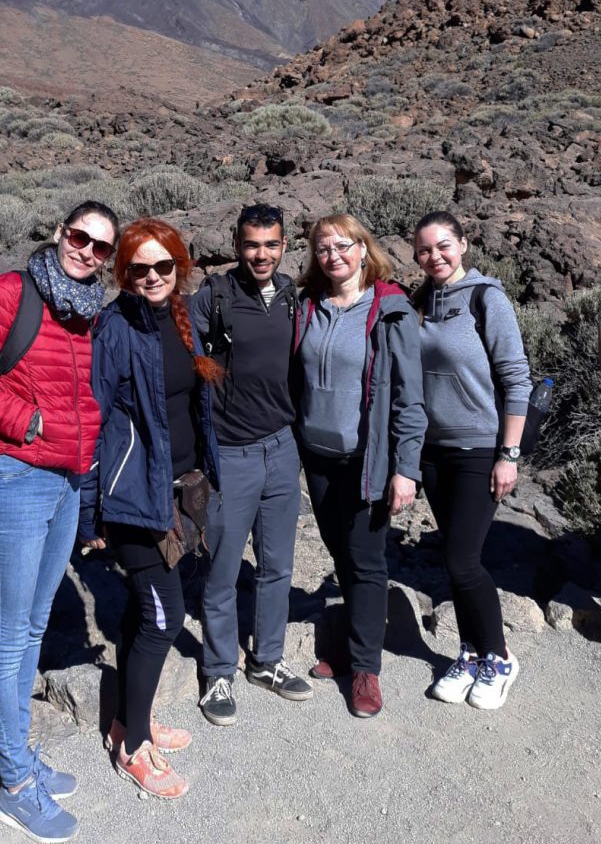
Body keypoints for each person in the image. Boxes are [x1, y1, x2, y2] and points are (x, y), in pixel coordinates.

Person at [0, 201, 119, 842]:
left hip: (67, 481)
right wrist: (23, 422)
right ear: (60, 233)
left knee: (33, 624)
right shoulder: (13, 293)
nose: (88, 252)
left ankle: (19, 753)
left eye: (101, 247)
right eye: (80, 237)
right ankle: (13, 784)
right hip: (17, 479)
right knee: (6, 635)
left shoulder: (89, 311)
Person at [79, 218, 221, 800]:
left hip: (178, 489)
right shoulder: (115, 328)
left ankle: (130, 718)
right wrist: (92, 515)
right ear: (124, 272)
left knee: (144, 612)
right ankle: (134, 747)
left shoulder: (182, 318)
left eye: (164, 266)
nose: (153, 277)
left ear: (179, 267)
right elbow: (93, 419)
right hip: (135, 498)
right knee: (164, 616)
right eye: (139, 268)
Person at [295, 213, 425, 719]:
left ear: (363, 250)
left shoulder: (390, 310)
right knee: (342, 555)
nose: (333, 255)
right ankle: (351, 646)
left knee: (367, 561)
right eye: (323, 248)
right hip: (317, 457)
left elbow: (410, 399)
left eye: (343, 245)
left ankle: (366, 668)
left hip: (366, 459)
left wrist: (405, 468)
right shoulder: (308, 306)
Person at [191, 203, 311, 726]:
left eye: (271, 244)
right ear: (237, 245)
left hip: (282, 449)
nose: (261, 254)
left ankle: (267, 659)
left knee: (278, 565)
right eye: (251, 244)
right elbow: (183, 366)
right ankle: (219, 670)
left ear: (284, 246)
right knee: (221, 571)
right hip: (231, 454)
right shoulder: (212, 298)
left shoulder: (291, 297)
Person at [411, 210, 531, 710]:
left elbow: (516, 378)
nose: (434, 256)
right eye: (424, 250)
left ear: (463, 244)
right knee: (454, 561)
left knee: (463, 559)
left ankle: (499, 657)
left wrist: (508, 454)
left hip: (481, 448)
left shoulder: (486, 298)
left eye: (443, 246)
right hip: (434, 451)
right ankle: (468, 650)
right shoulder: (420, 301)